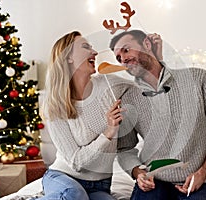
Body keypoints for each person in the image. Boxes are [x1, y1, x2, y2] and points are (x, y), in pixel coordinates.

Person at [109, 30, 206, 200]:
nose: (123, 59)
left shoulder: (199, 79)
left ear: (147, 44)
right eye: (118, 58)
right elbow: (125, 148)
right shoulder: (128, 98)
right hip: (154, 182)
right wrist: (138, 173)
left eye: (126, 50)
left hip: (201, 181)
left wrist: (203, 172)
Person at [38, 31, 135, 200]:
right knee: (74, 195)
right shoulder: (55, 104)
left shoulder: (110, 84)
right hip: (64, 177)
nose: (95, 52)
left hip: (100, 185)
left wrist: (151, 56)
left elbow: (149, 87)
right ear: (68, 57)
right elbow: (76, 163)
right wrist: (109, 132)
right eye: (86, 47)